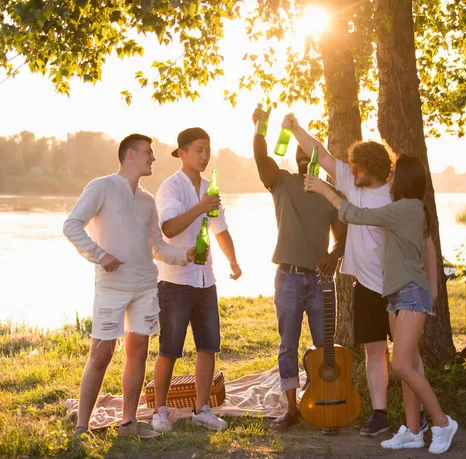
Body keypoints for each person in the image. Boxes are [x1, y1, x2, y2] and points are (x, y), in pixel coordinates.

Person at [283, 114, 437, 436]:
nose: (351, 171)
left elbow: (425, 242)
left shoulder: (396, 197)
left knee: (409, 355)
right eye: (350, 167)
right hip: (365, 286)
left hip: (399, 288)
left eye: (357, 167)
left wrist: (433, 286)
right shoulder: (349, 182)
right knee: (373, 349)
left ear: (375, 170)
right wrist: (295, 128)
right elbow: (321, 153)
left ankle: (419, 416)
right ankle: (380, 414)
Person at [305, 155, 458, 454]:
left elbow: (356, 215)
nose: (389, 178)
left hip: (412, 294)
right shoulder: (407, 209)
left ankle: (442, 422)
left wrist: (326, 190)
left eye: (393, 174)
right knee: (410, 364)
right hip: (397, 296)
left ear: (404, 179)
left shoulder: (405, 209)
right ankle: (414, 431)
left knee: (401, 364)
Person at [63, 133, 195, 440]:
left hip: (145, 287)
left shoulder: (148, 201)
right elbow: (71, 225)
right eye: (149, 152)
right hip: (111, 287)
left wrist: (184, 256)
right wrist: (100, 255)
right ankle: (82, 427)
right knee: (101, 353)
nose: (154, 157)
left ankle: (128, 423)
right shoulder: (102, 187)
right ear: (130, 155)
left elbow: (158, 247)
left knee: (138, 352)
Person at [252, 107, 347, 432]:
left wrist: (335, 255)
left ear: (319, 160)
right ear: (296, 158)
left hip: (321, 280)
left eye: (312, 154)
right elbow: (262, 160)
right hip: (288, 276)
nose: (307, 158)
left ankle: (326, 404)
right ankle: (291, 409)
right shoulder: (282, 182)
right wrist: (260, 128)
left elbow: (344, 235)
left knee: (325, 348)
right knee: (288, 344)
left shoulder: (329, 193)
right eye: (302, 154)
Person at [151, 127, 242, 433]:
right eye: (199, 150)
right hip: (175, 281)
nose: (205, 156)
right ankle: (160, 410)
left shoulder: (209, 187)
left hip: (206, 280)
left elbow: (220, 227)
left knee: (208, 347)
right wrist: (200, 207)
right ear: (182, 152)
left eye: (208, 150)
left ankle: (201, 409)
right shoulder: (171, 188)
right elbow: (169, 229)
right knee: (170, 349)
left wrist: (232, 259)